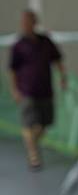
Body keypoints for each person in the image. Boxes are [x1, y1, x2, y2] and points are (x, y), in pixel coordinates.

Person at [9, 10, 66, 171]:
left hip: (45, 90)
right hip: (27, 90)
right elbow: (12, 69)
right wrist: (15, 89)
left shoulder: (45, 42)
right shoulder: (19, 45)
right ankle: (33, 154)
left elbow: (57, 60)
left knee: (43, 124)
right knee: (30, 122)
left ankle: (32, 143)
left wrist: (63, 78)